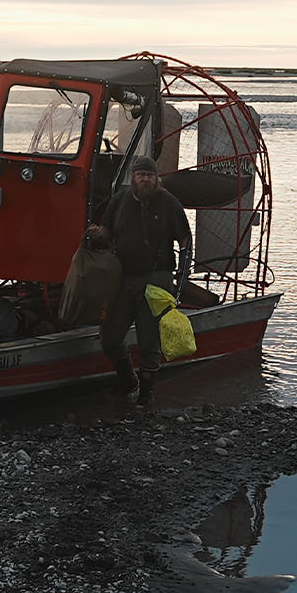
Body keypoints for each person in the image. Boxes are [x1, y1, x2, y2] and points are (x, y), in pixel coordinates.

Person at [96, 155, 192, 406]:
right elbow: (106, 229)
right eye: (141, 175)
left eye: (150, 175)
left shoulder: (169, 203)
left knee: (148, 339)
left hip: (157, 280)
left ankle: (146, 394)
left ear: (156, 177)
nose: (146, 179)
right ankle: (128, 381)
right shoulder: (119, 200)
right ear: (133, 177)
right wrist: (95, 236)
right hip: (124, 278)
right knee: (110, 336)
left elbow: (185, 239)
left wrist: (182, 274)